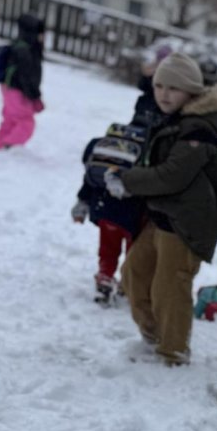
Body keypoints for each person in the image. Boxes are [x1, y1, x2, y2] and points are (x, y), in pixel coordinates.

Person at [106, 53, 217, 366]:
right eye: (159, 86)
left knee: (170, 288)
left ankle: (173, 353)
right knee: (133, 274)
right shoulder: (172, 120)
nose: (164, 94)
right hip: (163, 216)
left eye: (173, 88)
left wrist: (128, 180)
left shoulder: (198, 130)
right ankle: (155, 336)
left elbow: (172, 176)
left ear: (191, 91)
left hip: (187, 224)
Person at [71, 122, 149, 305]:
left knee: (107, 249)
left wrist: (81, 205)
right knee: (134, 253)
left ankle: (104, 278)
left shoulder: (100, 151)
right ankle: (128, 284)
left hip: (104, 211)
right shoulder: (142, 153)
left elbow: (89, 181)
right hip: (133, 214)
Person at [0, 12, 45, 150]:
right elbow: (26, 76)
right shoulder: (26, 51)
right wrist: (35, 96)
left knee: (10, 120)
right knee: (25, 123)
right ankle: (8, 146)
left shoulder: (21, 46)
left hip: (9, 89)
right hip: (19, 91)